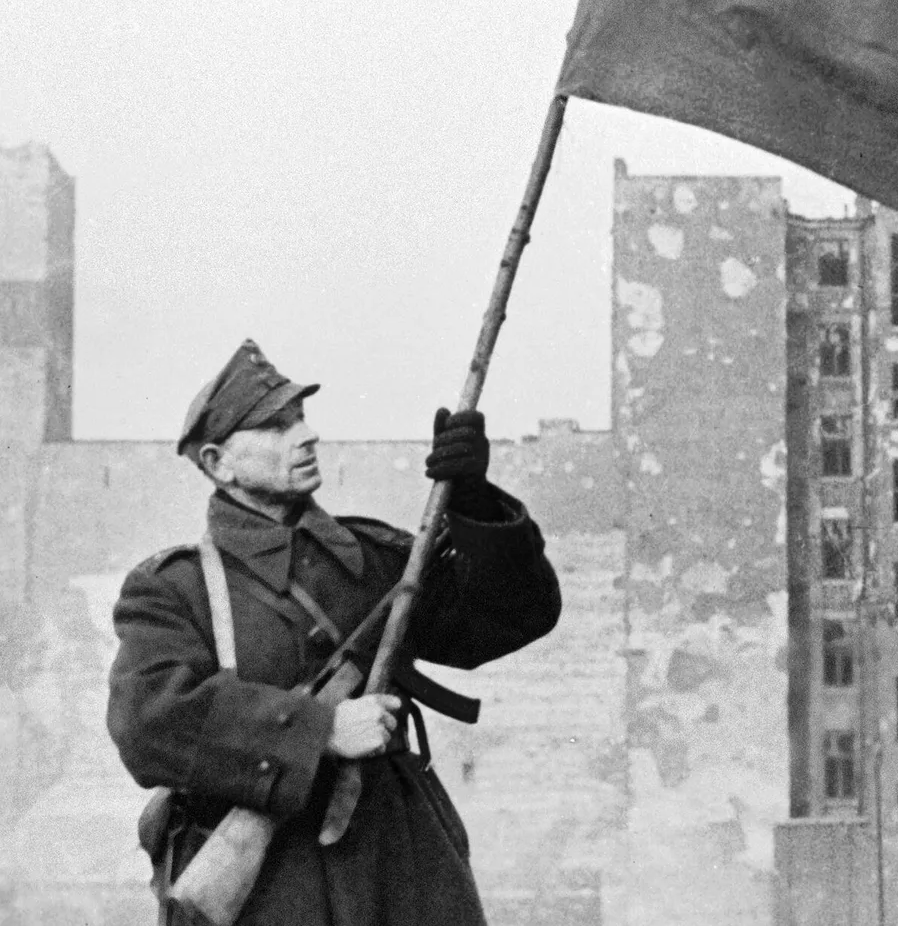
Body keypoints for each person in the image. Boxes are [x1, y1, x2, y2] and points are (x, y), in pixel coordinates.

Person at [107, 340, 563, 926]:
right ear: (219, 462)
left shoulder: (379, 559)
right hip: (277, 886)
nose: (305, 435)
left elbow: (510, 617)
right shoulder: (176, 587)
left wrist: (475, 506)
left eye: (299, 418)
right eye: (274, 426)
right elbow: (146, 721)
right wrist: (321, 730)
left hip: (402, 868)